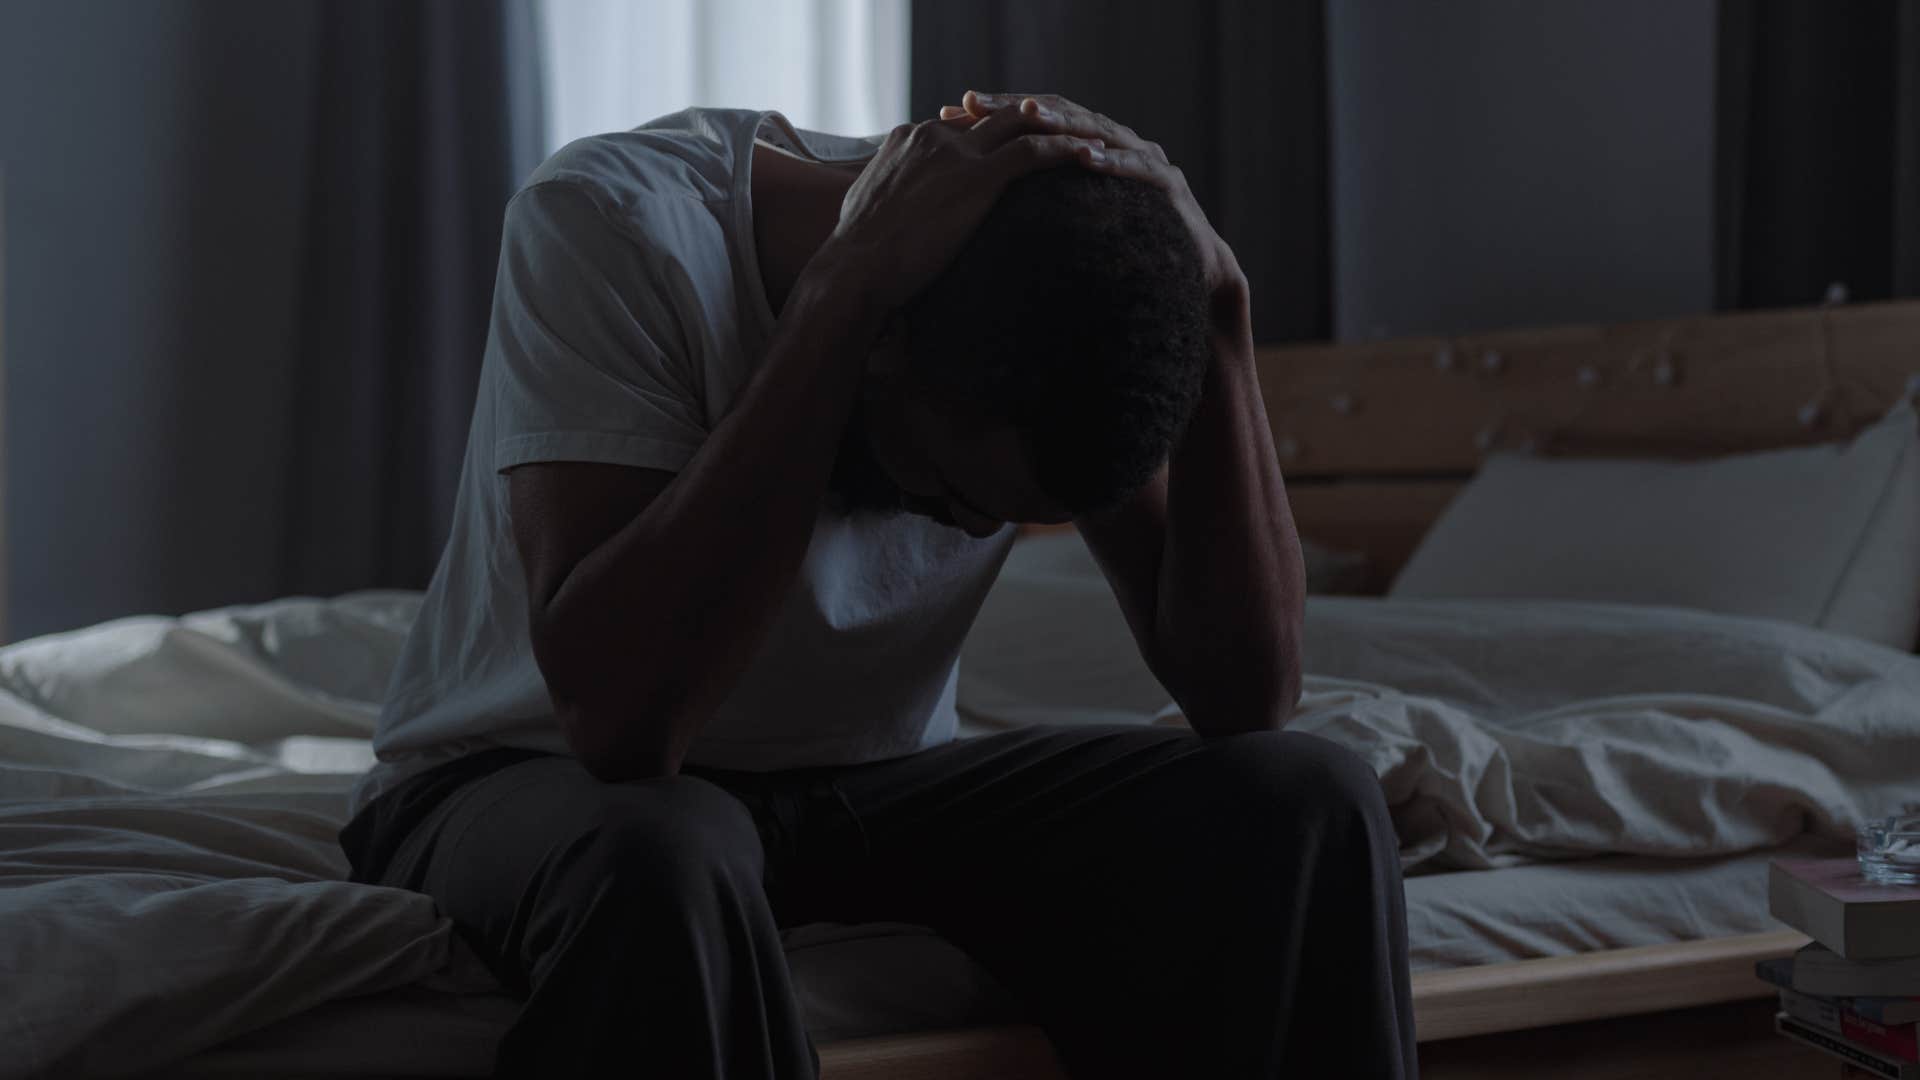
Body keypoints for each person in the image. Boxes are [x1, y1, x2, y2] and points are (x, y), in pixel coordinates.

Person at [339, 91, 1416, 1079]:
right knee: (663, 850)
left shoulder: (1061, 304)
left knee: (1303, 800)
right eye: (952, 490)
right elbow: (622, 728)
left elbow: (1245, 698)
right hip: (519, 778)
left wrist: (1222, 315)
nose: (964, 531)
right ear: (887, 340)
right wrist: (838, 302)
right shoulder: (614, 221)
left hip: (866, 788)